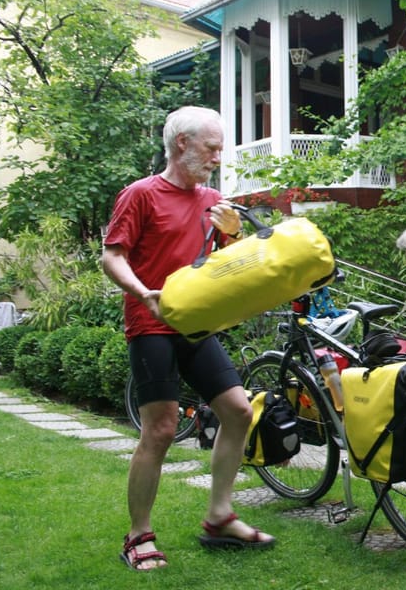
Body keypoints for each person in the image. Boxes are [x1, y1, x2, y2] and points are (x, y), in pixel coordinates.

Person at [102, 106, 275, 571]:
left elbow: (228, 266)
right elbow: (112, 257)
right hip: (152, 324)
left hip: (197, 325)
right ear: (182, 144)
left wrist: (233, 235)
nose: (218, 157)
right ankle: (138, 535)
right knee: (159, 429)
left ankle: (219, 517)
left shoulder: (212, 199)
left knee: (239, 411)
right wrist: (143, 293)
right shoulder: (140, 194)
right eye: (212, 148)